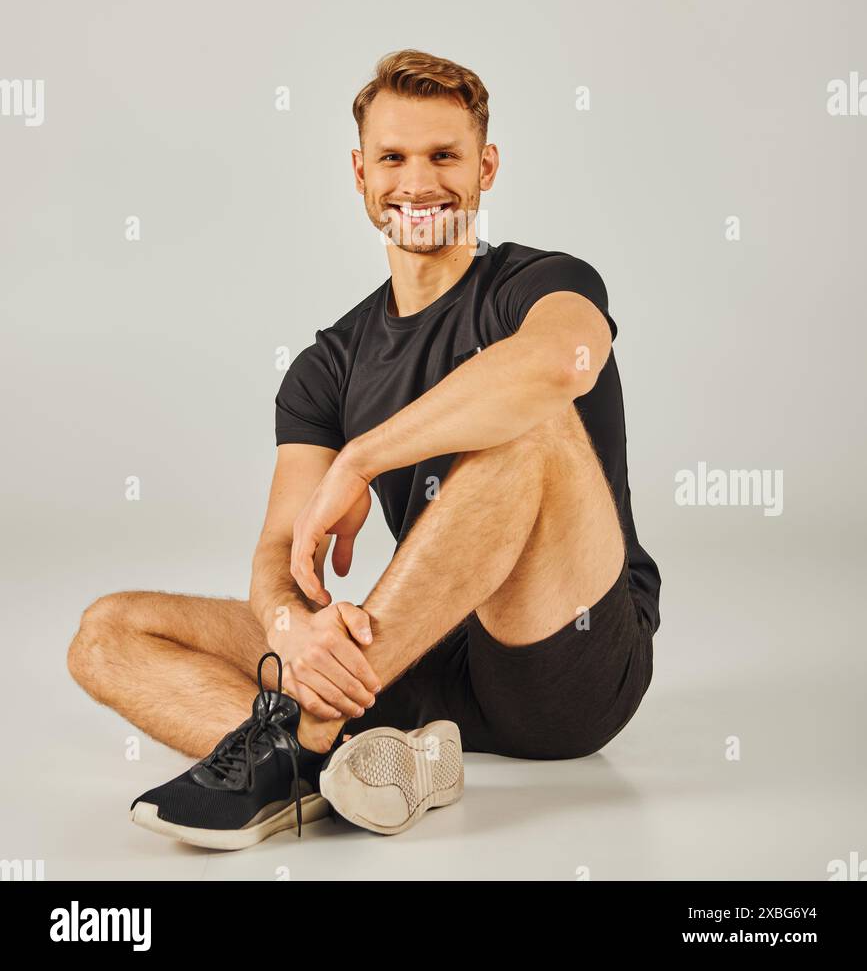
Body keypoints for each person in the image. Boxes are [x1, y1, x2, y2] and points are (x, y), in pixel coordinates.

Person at [67, 49, 661, 846]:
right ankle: (368, 764)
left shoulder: (538, 283)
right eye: (393, 158)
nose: (417, 183)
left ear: (485, 166)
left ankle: (295, 741)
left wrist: (361, 457)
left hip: (566, 659)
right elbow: (279, 552)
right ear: (360, 174)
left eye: (443, 156)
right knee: (108, 631)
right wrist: (291, 631)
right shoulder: (329, 365)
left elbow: (562, 363)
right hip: (422, 658)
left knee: (532, 423)